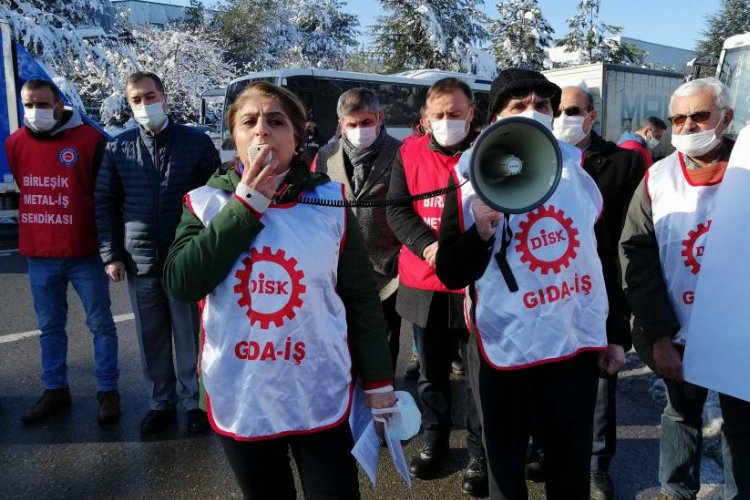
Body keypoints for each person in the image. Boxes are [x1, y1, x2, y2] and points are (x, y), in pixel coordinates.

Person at [163, 81, 395, 499]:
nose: (262, 131)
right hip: (244, 389)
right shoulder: (206, 203)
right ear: (234, 136)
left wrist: (378, 380)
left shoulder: (329, 200)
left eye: (276, 121)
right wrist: (246, 205)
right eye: (249, 122)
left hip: (317, 386)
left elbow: (360, 297)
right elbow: (182, 282)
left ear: (298, 133)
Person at [436, 68, 626, 500]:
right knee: (505, 469)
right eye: (518, 106)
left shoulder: (579, 175)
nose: (533, 113)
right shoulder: (467, 178)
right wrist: (479, 232)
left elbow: (599, 261)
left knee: (569, 467)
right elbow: (450, 271)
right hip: (503, 347)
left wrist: (615, 335)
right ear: (494, 118)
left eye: (543, 106)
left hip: (570, 345)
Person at [620, 77, 750, 500]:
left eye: (699, 116)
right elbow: (636, 259)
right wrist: (657, 335)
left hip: (738, 336)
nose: (687, 127)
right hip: (676, 333)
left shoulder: (747, 171)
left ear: (726, 118)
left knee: (742, 424)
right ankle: (675, 491)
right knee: (680, 414)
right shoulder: (657, 178)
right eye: (678, 118)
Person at [95, 71, 219, 435]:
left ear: (164, 97)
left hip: (185, 260)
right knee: (151, 339)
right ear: (129, 104)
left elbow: (214, 200)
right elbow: (104, 202)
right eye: (137, 99)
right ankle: (160, 402)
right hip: (140, 260)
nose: (145, 105)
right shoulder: (118, 148)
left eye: (150, 96)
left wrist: (208, 253)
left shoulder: (196, 144)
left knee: (191, 337)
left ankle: (194, 401)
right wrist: (111, 254)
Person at [387, 77, 487, 497]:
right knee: (431, 374)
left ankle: (481, 452)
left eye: (456, 114)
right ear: (425, 118)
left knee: (481, 376)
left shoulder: (487, 151)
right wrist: (428, 247)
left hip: (476, 285)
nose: (447, 122)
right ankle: (436, 438)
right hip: (424, 280)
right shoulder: (407, 152)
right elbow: (397, 209)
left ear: (471, 114)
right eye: (439, 115)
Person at [5, 79, 120, 425]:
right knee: (49, 327)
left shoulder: (89, 140)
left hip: (84, 254)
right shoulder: (15, 143)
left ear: (59, 105)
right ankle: (55, 389)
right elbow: (26, 186)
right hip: (40, 255)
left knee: (101, 325)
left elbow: (102, 195)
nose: (34, 111)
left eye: (42, 104)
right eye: (28, 104)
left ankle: (108, 391)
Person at [553, 83, 645, 500]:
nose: (563, 117)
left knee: (602, 382)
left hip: (603, 290)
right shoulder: (535, 160)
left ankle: (596, 465)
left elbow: (634, 236)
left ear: (592, 114)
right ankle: (547, 450)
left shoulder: (623, 164)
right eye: (557, 109)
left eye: (572, 109)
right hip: (550, 291)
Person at [311, 87, 403, 369]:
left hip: (388, 271)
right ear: (341, 124)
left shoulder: (401, 152)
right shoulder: (326, 156)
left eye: (366, 123)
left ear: (379, 118)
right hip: (341, 271)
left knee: (383, 347)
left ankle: (383, 404)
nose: (359, 130)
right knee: (342, 346)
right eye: (352, 125)